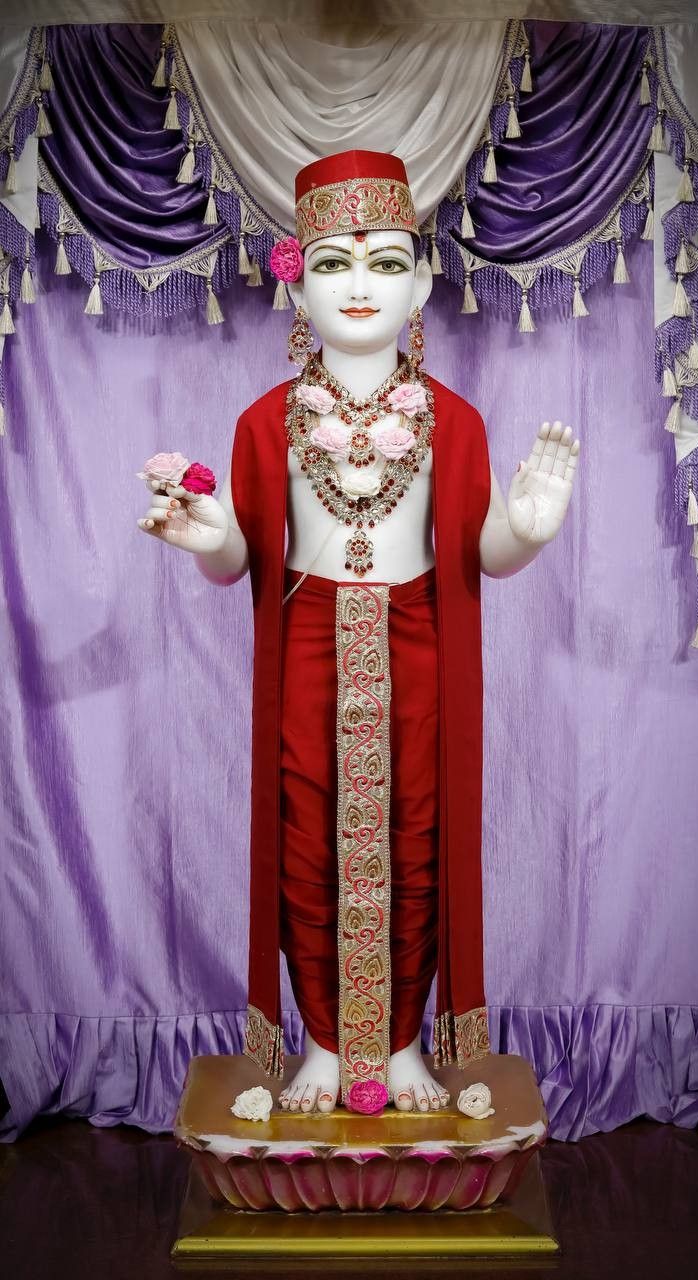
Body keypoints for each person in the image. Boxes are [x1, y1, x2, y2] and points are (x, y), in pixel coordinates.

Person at [137, 151, 579, 1115]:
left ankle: (408, 1046)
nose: (362, 286)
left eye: (386, 262)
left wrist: (527, 534)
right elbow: (239, 561)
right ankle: (330, 1046)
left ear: (421, 280)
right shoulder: (269, 420)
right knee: (307, 839)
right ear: (296, 288)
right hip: (306, 643)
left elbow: (478, 553)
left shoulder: (452, 420)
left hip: (419, 643)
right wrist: (211, 539)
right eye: (333, 263)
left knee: (417, 834)